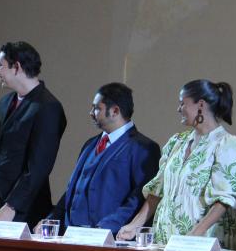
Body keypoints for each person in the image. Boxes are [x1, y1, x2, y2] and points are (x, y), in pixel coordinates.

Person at [117, 80, 236, 249]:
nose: (179, 109)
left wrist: (193, 236)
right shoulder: (177, 142)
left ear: (200, 104)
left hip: (204, 243)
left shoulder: (227, 144)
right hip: (167, 242)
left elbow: (224, 199)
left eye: (182, 104)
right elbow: (157, 189)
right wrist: (135, 224)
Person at [38, 82, 160, 234]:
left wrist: (107, 227)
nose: (91, 113)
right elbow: (73, 189)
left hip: (108, 238)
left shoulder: (144, 148)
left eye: (96, 108)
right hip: (70, 235)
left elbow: (138, 198)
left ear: (115, 110)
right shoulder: (90, 144)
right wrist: (52, 218)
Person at [0, 41, 67, 226]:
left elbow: (38, 167)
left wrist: (12, 205)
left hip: (21, 210)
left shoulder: (48, 107)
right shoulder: (5, 103)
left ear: (16, 67)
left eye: (0, 66)